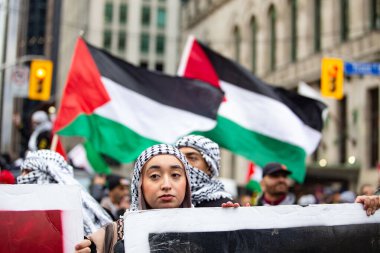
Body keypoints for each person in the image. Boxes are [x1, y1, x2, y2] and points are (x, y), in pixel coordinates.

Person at [17, 149, 112, 235]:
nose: (22, 176)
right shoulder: (18, 208)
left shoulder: (73, 215)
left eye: (28, 171)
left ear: (49, 176)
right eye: (22, 171)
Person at [175, 135, 233, 207]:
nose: (184, 163)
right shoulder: (167, 200)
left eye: (192, 158)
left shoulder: (223, 205)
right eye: (180, 157)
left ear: (209, 167)